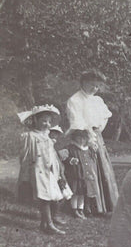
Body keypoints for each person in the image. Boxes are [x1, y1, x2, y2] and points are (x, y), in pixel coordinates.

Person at [66, 69, 118, 213]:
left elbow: (105, 116)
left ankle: (104, 204)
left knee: (101, 169)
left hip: (96, 135)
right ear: (83, 82)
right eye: (92, 85)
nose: (95, 89)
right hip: (82, 138)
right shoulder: (74, 100)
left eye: (97, 86)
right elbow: (76, 122)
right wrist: (88, 138)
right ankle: (88, 207)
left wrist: (98, 131)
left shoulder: (97, 100)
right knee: (86, 172)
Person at [17, 105, 66, 234]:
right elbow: (25, 156)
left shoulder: (48, 138)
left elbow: (52, 156)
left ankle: (44, 224)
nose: (47, 124)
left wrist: (57, 170)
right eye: (43, 121)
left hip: (49, 171)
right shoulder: (30, 136)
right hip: (37, 170)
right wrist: (26, 173)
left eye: (49, 121)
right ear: (35, 121)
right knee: (44, 197)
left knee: (52, 195)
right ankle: (49, 224)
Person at [64, 129, 100, 219]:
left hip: (86, 176)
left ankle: (81, 209)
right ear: (74, 138)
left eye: (83, 138)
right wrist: (70, 160)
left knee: (82, 193)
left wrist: (95, 149)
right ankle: (74, 209)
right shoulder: (71, 148)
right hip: (75, 174)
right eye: (78, 137)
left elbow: (93, 158)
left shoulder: (88, 149)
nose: (81, 140)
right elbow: (63, 157)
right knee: (75, 193)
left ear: (87, 139)